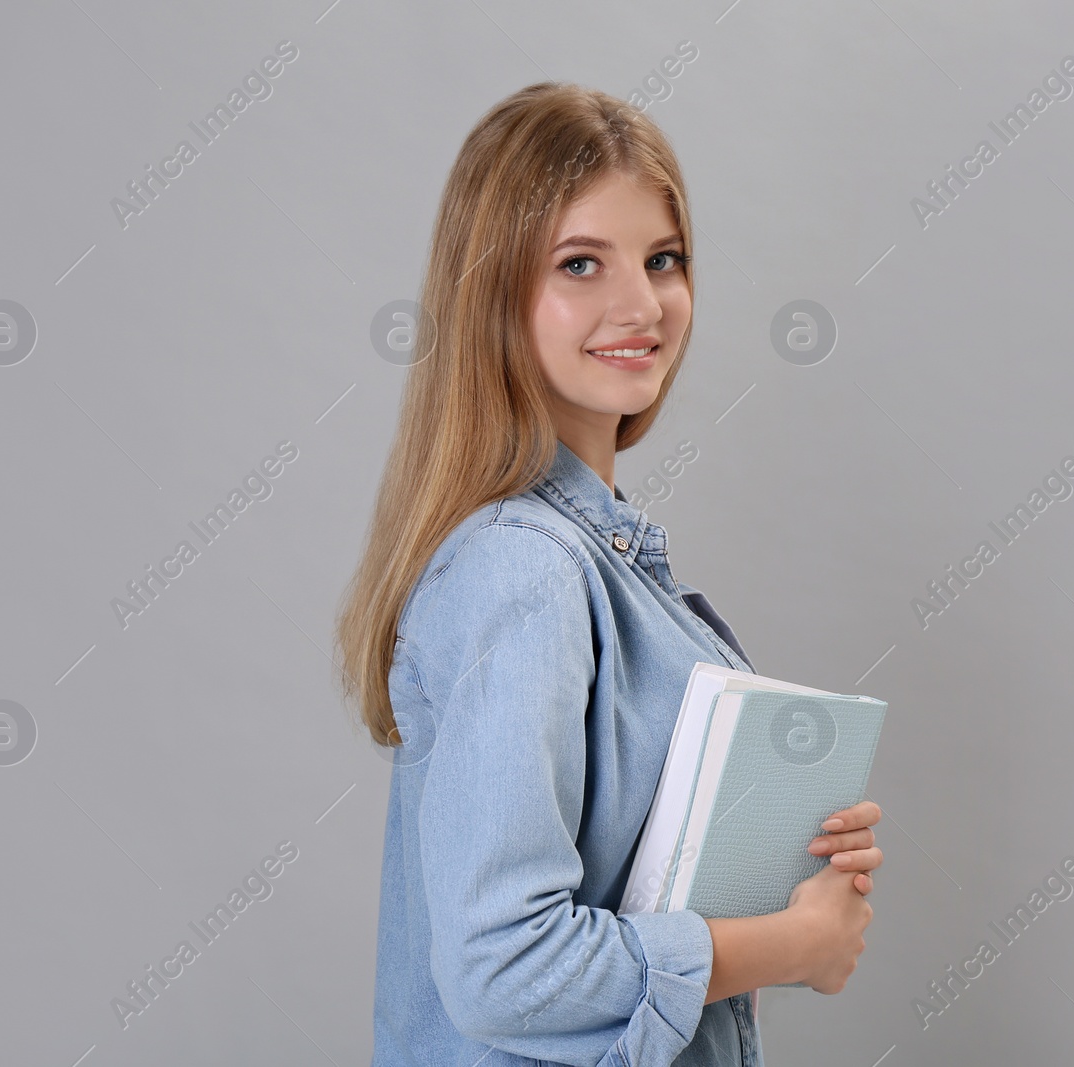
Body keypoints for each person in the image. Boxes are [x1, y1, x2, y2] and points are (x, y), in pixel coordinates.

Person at [335, 81, 882, 1067]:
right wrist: (786, 942)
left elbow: (627, 877)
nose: (641, 303)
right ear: (491, 290)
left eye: (662, 259)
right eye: (580, 263)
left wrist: (781, 847)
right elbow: (507, 968)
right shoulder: (525, 570)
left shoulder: (590, 560)